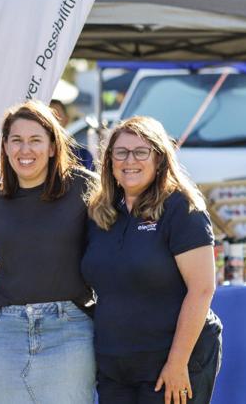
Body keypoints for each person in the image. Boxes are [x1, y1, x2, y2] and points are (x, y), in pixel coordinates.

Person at [0, 100, 97, 403]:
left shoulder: (83, 189)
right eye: (16, 140)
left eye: (36, 140)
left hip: (69, 332)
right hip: (2, 335)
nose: (25, 150)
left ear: (52, 146)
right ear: (5, 147)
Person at [82, 116, 221, 404]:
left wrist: (177, 363)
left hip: (170, 362)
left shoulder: (182, 209)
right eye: (120, 152)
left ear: (159, 159)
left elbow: (202, 289)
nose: (129, 160)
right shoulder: (100, 213)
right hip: (115, 366)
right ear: (109, 161)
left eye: (141, 152)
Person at [50, 98, 95, 171]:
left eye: (56, 116)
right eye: (49, 116)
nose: (53, 121)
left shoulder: (83, 156)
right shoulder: (37, 154)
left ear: (66, 119)